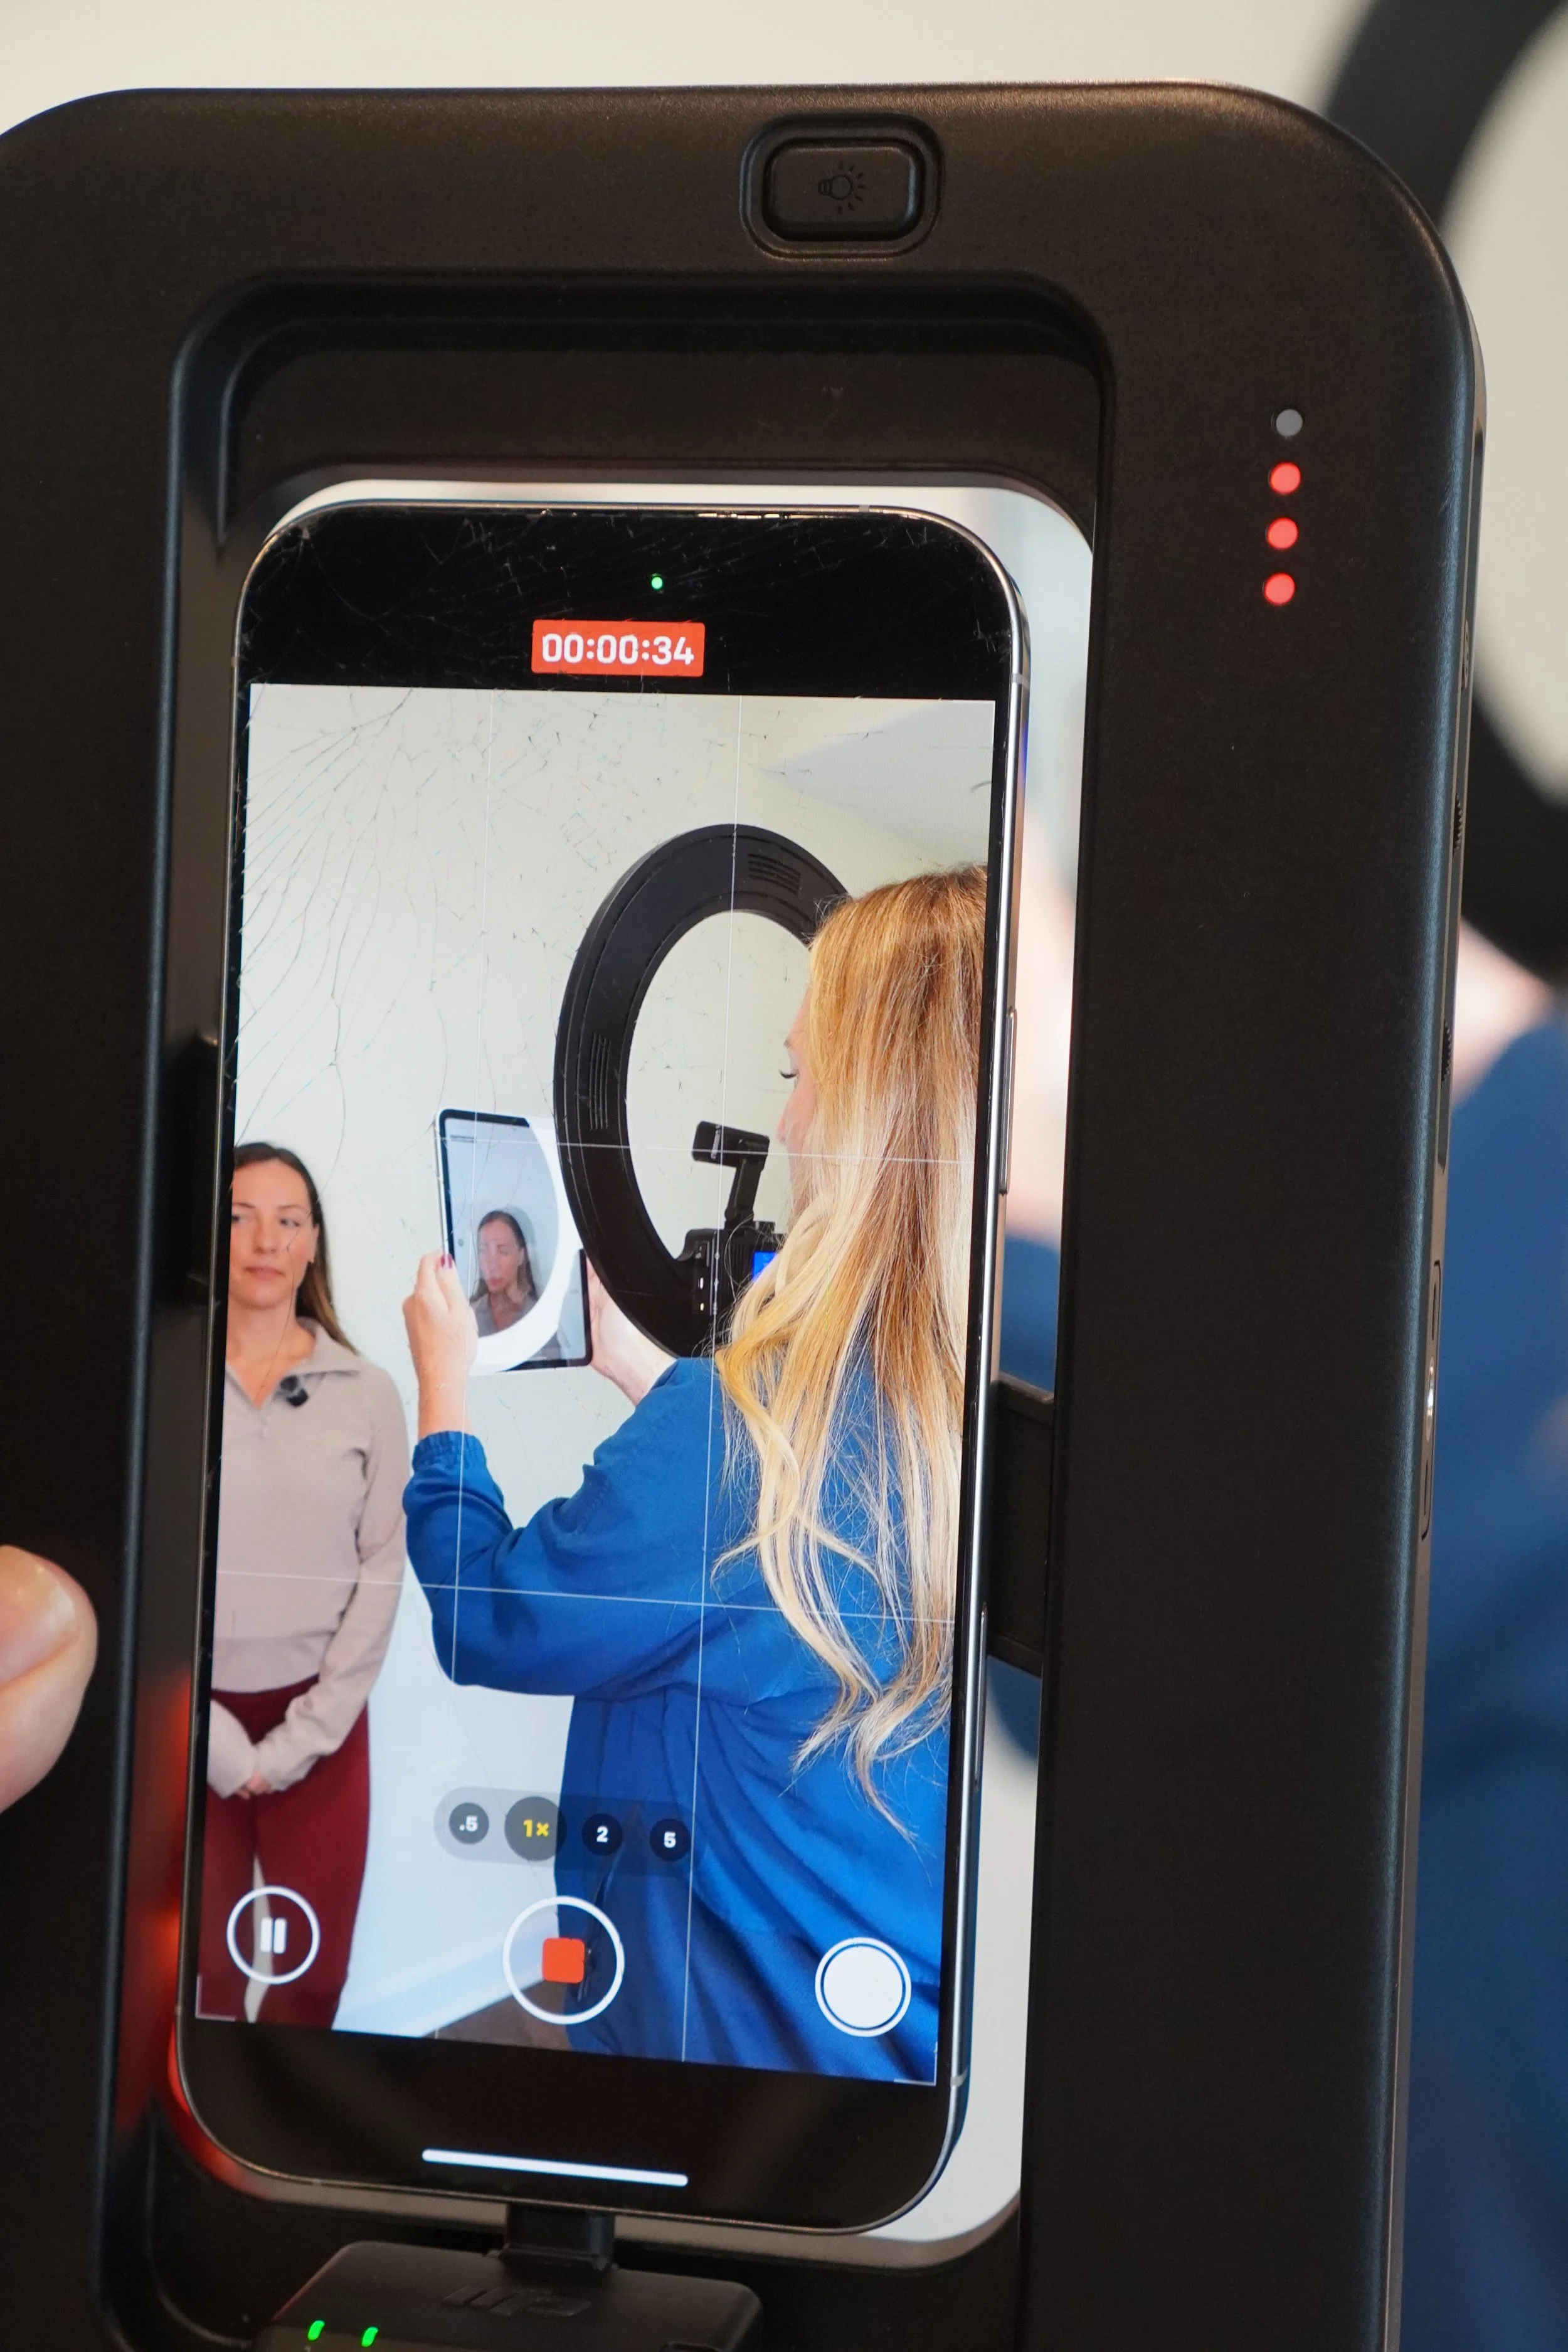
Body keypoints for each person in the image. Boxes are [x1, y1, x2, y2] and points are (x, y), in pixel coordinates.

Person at [403, 867, 983, 2079]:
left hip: (712, 2070)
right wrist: (655, 1380)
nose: (789, 1121)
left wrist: (443, 1392)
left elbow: (485, 1615)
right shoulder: (970, 1405)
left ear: (878, 1107)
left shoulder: (739, 1433)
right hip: (885, 2049)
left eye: (800, 1071)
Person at [196, 1143, 410, 2028]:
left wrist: (301, 1739)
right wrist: (211, 1733)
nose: (264, 1239)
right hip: (186, 1712)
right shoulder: (169, 1381)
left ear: (312, 1243)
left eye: (288, 1220)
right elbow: (148, 1558)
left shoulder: (366, 1392)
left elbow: (382, 1569)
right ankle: (189, 2155)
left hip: (322, 1726)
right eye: (242, 1214)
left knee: (309, 1980)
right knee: (191, 1974)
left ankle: (269, 2150)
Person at [470, 1209, 538, 1335]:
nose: (492, 1264)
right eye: (483, 1251)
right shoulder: (468, 1317)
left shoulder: (539, 1316)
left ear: (521, 1256)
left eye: (503, 1252)